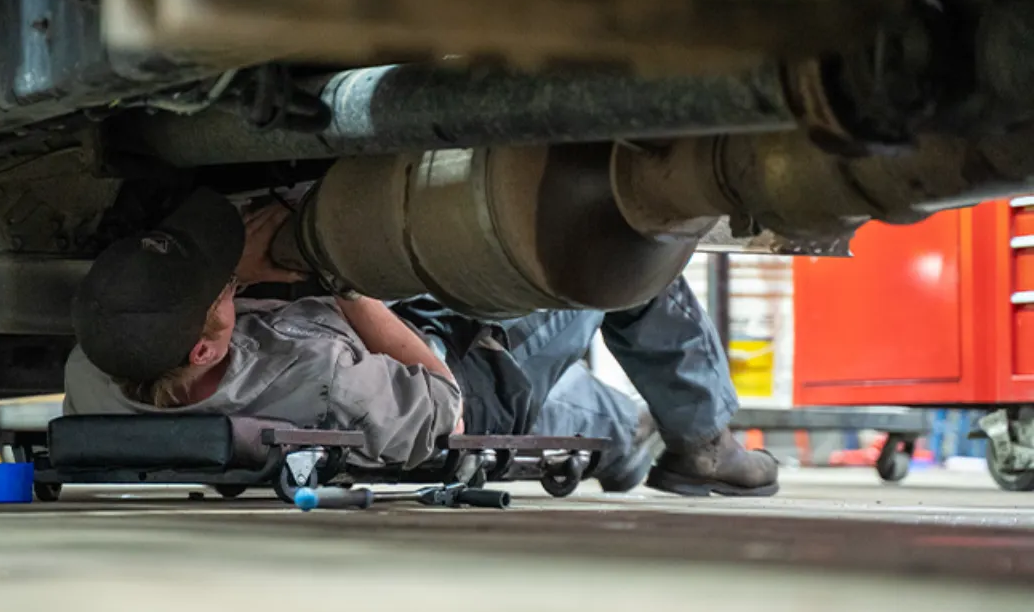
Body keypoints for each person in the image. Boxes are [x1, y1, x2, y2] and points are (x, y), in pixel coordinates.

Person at [66, 188, 778, 497]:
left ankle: (629, 438)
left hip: (400, 353)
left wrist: (234, 279)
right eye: (223, 293)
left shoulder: (102, 364)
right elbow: (446, 403)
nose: (232, 287)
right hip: (478, 384)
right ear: (202, 350)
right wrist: (344, 284)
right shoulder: (321, 378)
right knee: (623, 258)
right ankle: (704, 444)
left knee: (593, 416)